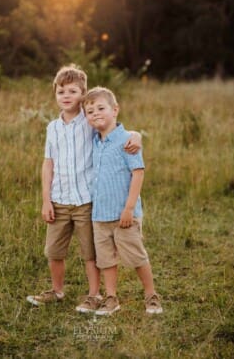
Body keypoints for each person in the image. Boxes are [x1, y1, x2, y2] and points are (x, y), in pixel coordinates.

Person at [26, 65, 141, 313]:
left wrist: (137, 135)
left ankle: (94, 295)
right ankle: (57, 291)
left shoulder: (90, 121)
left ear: (83, 94)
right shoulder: (52, 128)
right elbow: (48, 164)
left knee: (91, 252)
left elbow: (118, 130)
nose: (66, 96)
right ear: (55, 94)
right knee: (54, 251)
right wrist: (46, 200)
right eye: (61, 91)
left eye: (73, 91)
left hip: (87, 200)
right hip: (59, 199)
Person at [83, 86, 163, 315]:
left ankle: (151, 294)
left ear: (115, 110)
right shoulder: (95, 141)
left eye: (101, 108)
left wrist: (128, 209)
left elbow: (138, 173)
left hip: (123, 215)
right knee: (106, 260)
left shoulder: (128, 141)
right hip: (99, 215)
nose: (95, 113)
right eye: (90, 111)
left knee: (136, 256)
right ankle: (111, 298)